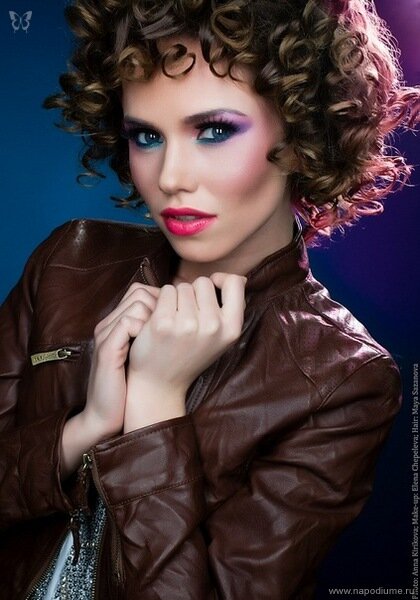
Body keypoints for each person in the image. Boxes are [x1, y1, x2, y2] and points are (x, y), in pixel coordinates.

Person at [0, 0, 418, 598]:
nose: (170, 177)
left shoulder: (343, 379)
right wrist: (86, 428)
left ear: (303, 134)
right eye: (147, 136)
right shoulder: (69, 260)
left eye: (214, 131)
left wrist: (154, 402)